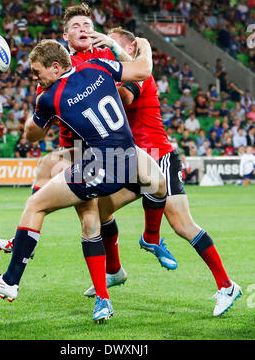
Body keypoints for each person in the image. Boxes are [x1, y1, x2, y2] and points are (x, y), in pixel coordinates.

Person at [0, 37, 166, 324]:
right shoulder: (97, 66)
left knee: (36, 205)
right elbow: (143, 70)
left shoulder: (49, 97)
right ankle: (139, 252)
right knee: (103, 212)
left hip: (101, 167)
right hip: (129, 157)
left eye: (37, 72)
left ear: (54, 67)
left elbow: (31, 135)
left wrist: (38, 106)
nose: (35, 78)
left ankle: (11, 280)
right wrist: (146, 45)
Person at [83, 28, 242, 318]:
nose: (105, 48)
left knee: (182, 225)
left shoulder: (139, 73)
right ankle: (115, 271)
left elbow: (126, 98)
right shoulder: (116, 72)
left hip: (159, 158)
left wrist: (99, 75)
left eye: (112, 44)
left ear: (130, 47)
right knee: (99, 209)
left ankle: (226, 284)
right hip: (134, 160)